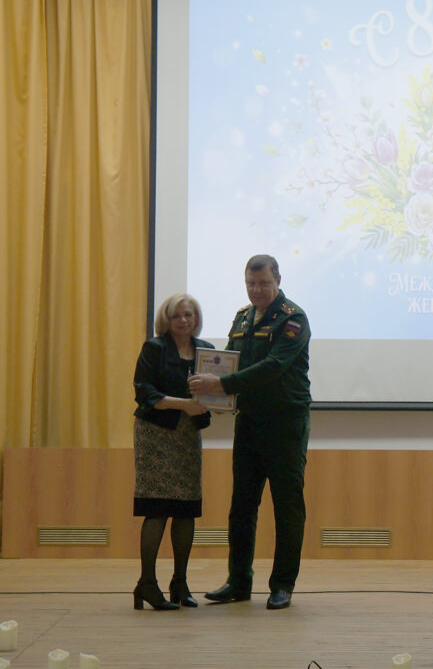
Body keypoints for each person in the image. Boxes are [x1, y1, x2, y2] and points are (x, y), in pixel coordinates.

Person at [188, 254, 311, 610]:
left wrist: (221, 384)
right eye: (251, 284)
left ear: (278, 280)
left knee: (287, 506)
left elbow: (272, 367)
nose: (257, 290)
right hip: (250, 421)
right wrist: (205, 380)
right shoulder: (243, 316)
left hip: (285, 423)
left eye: (264, 283)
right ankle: (238, 581)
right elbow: (230, 359)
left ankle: (283, 584)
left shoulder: (293, 318)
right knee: (241, 506)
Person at [132, 293, 213, 610]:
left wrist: (218, 405)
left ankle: (180, 582)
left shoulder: (206, 351)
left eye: (189, 315)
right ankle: (147, 584)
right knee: (158, 507)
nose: (184, 320)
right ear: (167, 319)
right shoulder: (155, 348)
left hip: (187, 436)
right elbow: (144, 392)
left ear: (196, 318)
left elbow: (217, 392)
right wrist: (186, 406)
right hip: (156, 433)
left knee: (186, 508)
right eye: (177, 316)